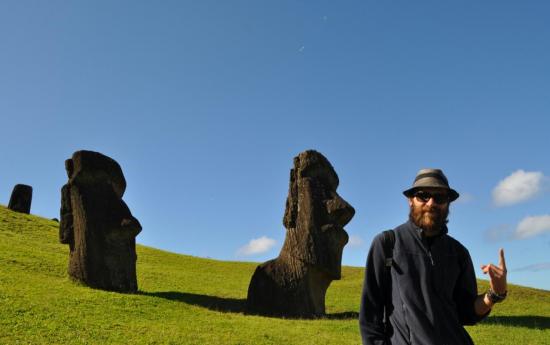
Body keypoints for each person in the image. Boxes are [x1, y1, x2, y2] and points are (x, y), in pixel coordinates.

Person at [359, 168, 507, 345]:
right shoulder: (387, 244)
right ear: (410, 200)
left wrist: (494, 295)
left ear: (448, 203)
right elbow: (370, 316)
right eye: (423, 196)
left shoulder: (458, 252)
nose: (431, 203)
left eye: (440, 198)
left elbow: (467, 314)